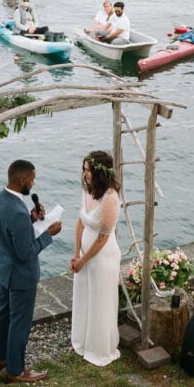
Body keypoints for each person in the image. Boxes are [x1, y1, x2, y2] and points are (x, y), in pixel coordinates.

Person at [0, 159, 62, 383]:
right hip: (21, 275)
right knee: (19, 322)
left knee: (4, 315)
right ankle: (16, 370)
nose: (33, 182)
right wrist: (49, 234)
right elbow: (25, 253)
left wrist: (31, 218)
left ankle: (0, 358)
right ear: (22, 180)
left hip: (4, 269)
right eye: (32, 179)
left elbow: (10, 231)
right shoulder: (17, 213)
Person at [70, 150, 122, 367]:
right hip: (84, 254)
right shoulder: (87, 191)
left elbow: (102, 238)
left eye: (89, 170)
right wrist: (76, 254)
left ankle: (99, 348)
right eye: (84, 170)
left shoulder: (111, 198)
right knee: (84, 296)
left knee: (100, 300)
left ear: (100, 172)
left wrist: (84, 260)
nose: (85, 175)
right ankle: (82, 342)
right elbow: (81, 221)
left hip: (102, 256)